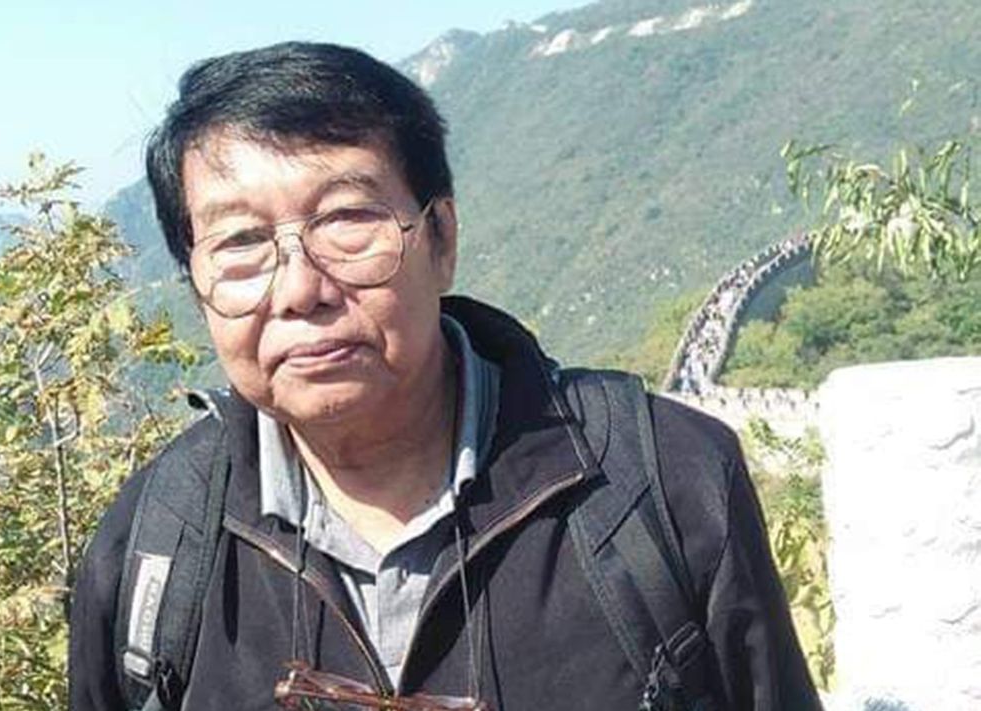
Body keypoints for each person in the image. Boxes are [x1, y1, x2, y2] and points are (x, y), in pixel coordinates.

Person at [69, 42, 821, 711]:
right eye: (240, 242)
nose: (299, 289)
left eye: (345, 220)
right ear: (198, 286)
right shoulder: (157, 543)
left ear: (441, 239)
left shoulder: (662, 486)